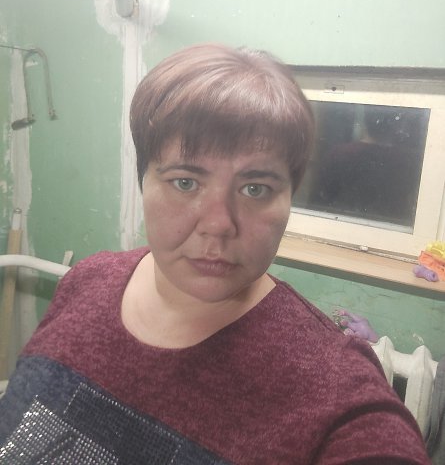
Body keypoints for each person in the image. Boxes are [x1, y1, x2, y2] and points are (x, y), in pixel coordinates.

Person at [0, 43, 430, 464]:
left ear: (289, 197)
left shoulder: (334, 388)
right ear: (144, 180)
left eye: (255, 188)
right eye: (185, 182)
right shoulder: (85, 280)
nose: (219, 224)